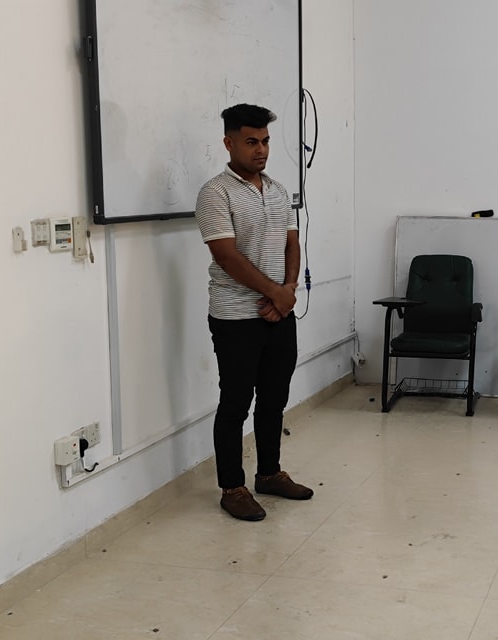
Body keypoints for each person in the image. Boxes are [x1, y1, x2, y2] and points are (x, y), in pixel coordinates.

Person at [195, 103, 313, 522]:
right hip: (235, 317)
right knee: (235, 403)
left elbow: (292, 243)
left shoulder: (279, 190)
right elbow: (226, 256)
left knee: (274, 399)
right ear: (229, 143)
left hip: (279, 313)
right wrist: (275, 293)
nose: (260, 150)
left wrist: (288, 291)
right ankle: (232, 487)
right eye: (251, 142)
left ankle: (269, 474)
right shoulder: (215, 193)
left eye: (264, 141)